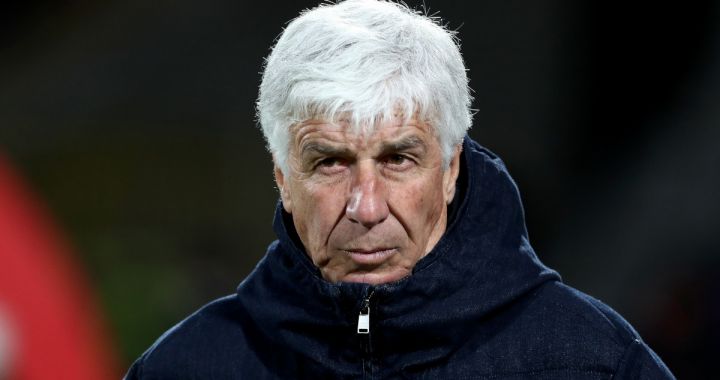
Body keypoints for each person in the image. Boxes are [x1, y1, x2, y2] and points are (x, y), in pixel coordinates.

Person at [125, 0, 674, 378]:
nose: (366, 206)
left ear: (451, 168)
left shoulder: (591, 363)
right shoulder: (186, 367)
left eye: (397, 159)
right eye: (331, 162)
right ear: (282, 180)